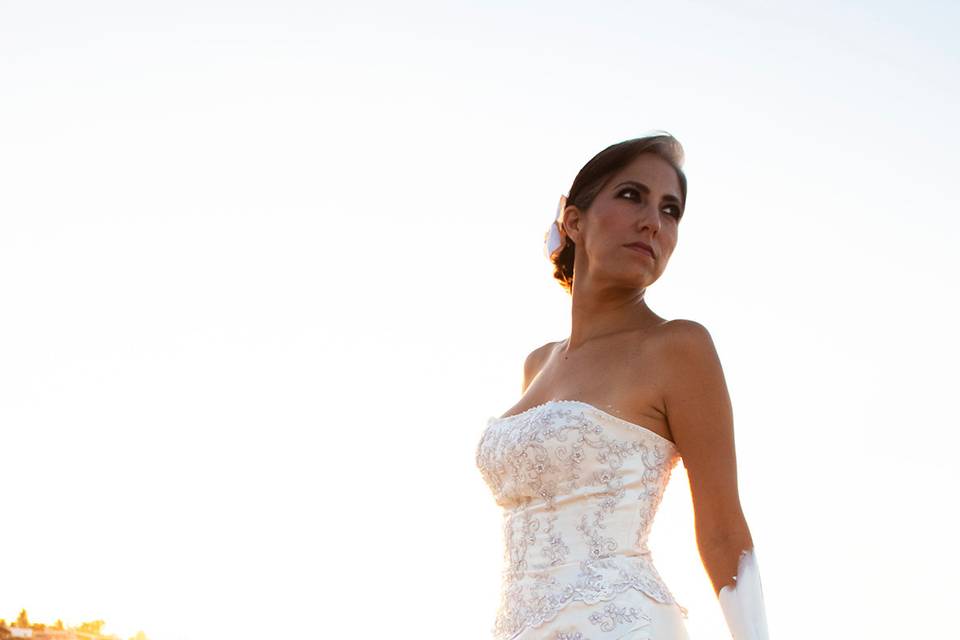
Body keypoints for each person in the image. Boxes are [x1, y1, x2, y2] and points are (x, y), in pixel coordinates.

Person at [475, 131, 770, 639]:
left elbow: (722, 529)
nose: (652, 222)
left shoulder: (678, 347)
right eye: (632, 195)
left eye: (671, 210)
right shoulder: (537, 364)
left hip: (619, 624)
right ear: (573, 219)